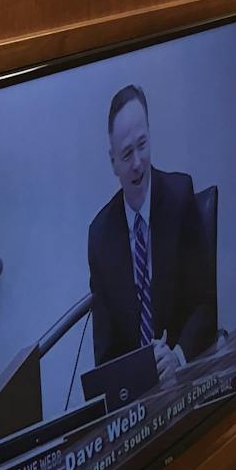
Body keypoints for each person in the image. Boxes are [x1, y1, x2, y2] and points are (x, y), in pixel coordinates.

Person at [87, 84, 217, 382]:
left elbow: (206, 304)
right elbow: (105, 352)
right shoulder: (100, 236)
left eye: (142, 145)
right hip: (138, 391)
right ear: (113, 162)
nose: (137, 163)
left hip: (186, 371)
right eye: (126, 153)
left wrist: (178, 357)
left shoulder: (179, 196)